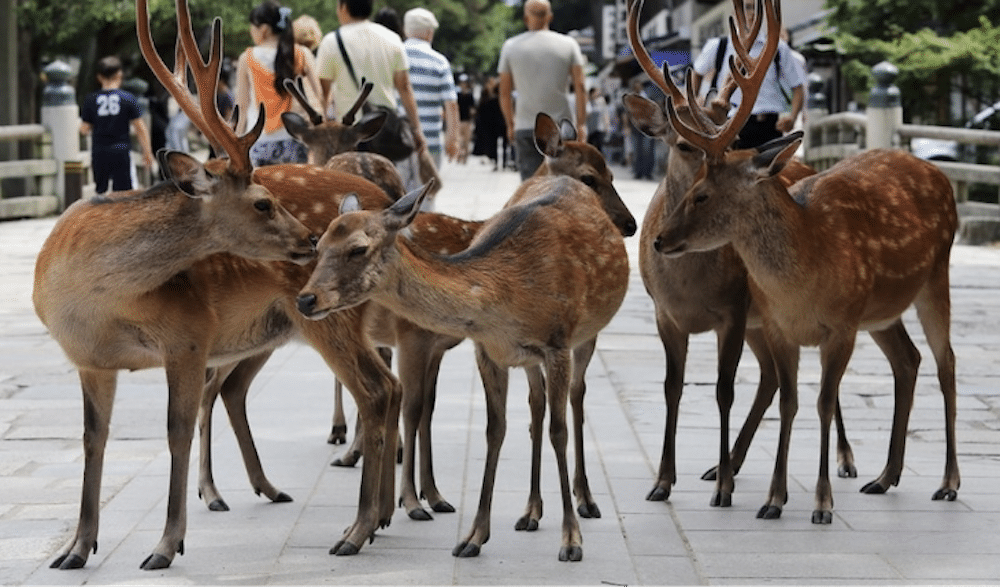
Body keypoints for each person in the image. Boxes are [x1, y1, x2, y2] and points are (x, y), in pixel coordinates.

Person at [690, 0, 804, 149]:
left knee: (769, 171)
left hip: (767, 126)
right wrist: (692, 109)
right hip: (729, 126)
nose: (749, 14)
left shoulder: (776, 48)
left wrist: (792, 117)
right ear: (734, 12)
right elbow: (697, 73)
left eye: (754, 8)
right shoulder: (718, 46)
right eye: (744, 8)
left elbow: (798, 86)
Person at [315, 0, 425, 151]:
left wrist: (322, 131)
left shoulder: (331, 42)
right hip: (385, 128)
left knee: (350, 174)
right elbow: (404, 88)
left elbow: (323, 94)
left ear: (343, 7)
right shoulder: (392, 38)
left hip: (349, 132)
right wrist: (416, 129)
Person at [497, 0, 586, 180]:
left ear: (525, 18)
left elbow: (504, 92)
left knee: (532, 186)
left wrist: (510, 123)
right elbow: (581, 87)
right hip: (562, 126)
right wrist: (582, 123)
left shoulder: (511, 46)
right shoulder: (569, 44)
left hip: (526, 124)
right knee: (562, 184)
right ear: (550, 17)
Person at [235, 0, 324, 167]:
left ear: (264, 29)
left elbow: (242, 105)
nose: (251, 31)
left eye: (252, 26)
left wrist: (237, 141)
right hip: (296, 140)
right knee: (295, 192)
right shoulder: (301, 54)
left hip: (259, 141)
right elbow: (319, 96)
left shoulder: (246, 58)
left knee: (264, 192)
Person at [396, 7, 458, 192]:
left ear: (406, 30)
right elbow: (451, 104)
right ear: (430, 33)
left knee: (399, 196)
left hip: (398, 140)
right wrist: (452, 139)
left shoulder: (394, 56)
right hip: (430, 141)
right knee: (426, 196)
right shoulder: (439, 61)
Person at [79, 55, 155, 195]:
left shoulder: (91, 100)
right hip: (121, 150)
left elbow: (84, 129)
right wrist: (147, 152)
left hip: (99, 151)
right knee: (124, 193)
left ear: (99, 77)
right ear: (119, 74)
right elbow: (140, 128)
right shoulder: (127, 98)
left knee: (101, 192)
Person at [472, 75, 507, 171]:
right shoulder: (485, 94)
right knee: (493, 144)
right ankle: (496, 162)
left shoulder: (501, 93)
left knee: (504, 144)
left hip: (502, 121)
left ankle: (504, 163)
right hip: (491, 123)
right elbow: (481, 109)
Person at [456, 74, 476, 164]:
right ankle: (459, 156)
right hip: (459, 120)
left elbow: (473, 108)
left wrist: (472, 113)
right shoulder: (457, 94)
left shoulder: (470, 95)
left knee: (467, 140)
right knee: (459, 140)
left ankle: (465, 158)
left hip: (467, 120)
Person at [586, 87, 610, 154]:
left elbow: (605, 113)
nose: (597, 94)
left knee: (599, 146)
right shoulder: (588, 103)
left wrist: (607, 125)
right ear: (591, 94)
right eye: (595, 92)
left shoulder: (601, 101)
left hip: (600, 128)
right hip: (590, 129)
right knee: (591, 146)